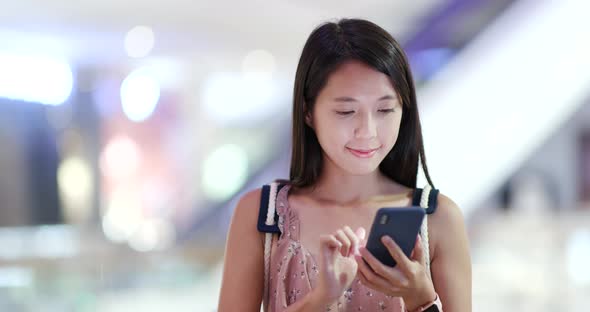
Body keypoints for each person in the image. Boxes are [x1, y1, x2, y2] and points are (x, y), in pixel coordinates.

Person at [218, 18, 471, 312]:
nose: (368, 131)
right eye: (346, 111)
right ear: (308, 112)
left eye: (385, 109)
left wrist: (421, 300)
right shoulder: (263, 214)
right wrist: (320, 298)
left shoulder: (438, 219)